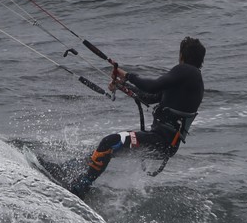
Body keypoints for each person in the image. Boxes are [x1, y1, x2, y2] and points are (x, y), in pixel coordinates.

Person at [65, 36, 205, 198]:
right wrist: (122, 84)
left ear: (182, 56)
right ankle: (69, 169)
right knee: (107, 148)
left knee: (109, 142)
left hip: (160, 140)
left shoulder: (186, 71)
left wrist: (127, 75)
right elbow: (149, 97)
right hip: (163, 144)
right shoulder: (190, 81)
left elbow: (151, 86)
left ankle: (80, 189)